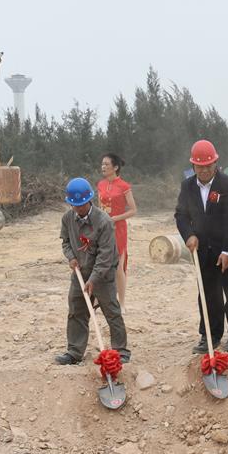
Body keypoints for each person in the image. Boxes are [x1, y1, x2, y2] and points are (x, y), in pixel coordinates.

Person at [175, 140, 228, 353]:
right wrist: (189, 235)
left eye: (209, 165)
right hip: (204, 250)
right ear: (193, 166)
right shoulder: (187, 186)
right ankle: (209, 335)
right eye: (200, 166)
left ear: (216, 163)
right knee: (208, 294)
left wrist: (227, 251)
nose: (205, 170)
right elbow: (181, 215)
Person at [56, 177, 130, 365]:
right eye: (75, 205)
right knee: (76, 311)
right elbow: (65, 242)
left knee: (112, 311)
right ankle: (74, 352)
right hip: (80, 272)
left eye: (82, 204)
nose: (79, 208)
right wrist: (71, 257)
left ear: (89, 200)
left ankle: (121, 351)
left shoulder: (104, 221)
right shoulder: (67, 219)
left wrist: (94, 279)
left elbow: (106, 256)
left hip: (103, 274)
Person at [97, 153, 137, 307]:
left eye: (106, 164)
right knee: (100, 264)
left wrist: (115, 218)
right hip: (102, 229)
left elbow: (133, 210)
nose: (103, 167)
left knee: (119, 267)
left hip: (118, 229)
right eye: (102, 164)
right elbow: (99, 207)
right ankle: (98, 300)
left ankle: (122, 303)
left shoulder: (124, 186)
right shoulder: (100, 184)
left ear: (115, 167)